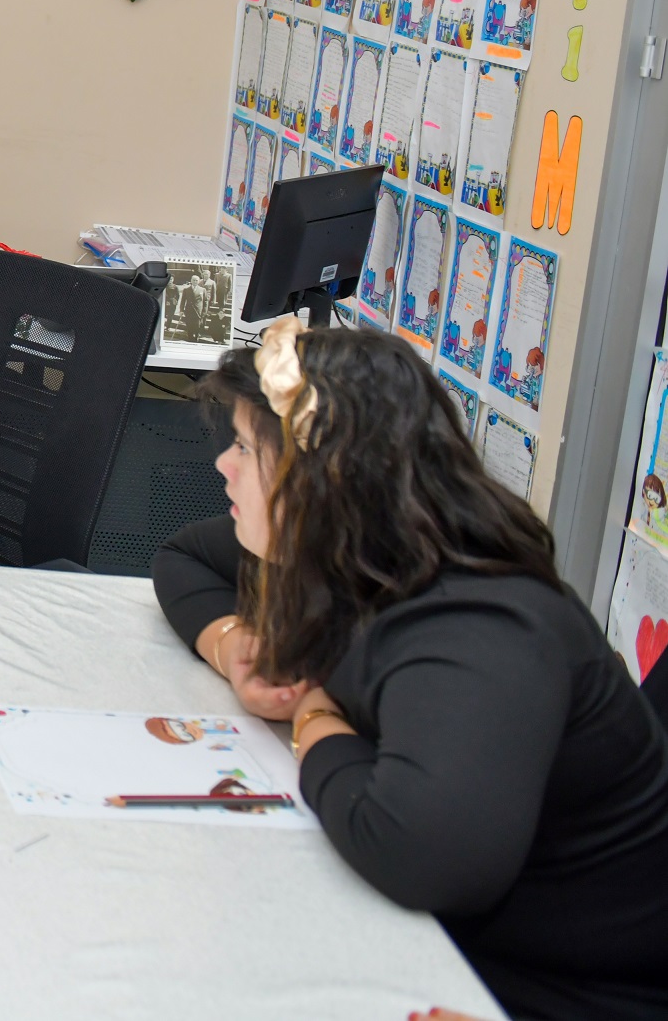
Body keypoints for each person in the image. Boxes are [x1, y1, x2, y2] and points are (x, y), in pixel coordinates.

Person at [153, 320, 668, 1020]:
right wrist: (231, 643)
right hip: (439, 944)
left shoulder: (478, 623)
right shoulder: (354, 546)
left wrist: (316, 723)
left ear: (321, 476)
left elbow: (422, 859)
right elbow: (183, 559)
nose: (223, 465)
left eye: (245, 447)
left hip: (553, 991)